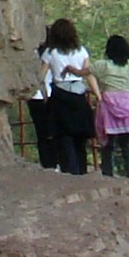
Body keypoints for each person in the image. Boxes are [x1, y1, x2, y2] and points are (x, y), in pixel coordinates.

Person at [34, 19, 96, 176]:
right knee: (80, 138)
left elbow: (40, 77)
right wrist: (98, 95)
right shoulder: (82, 51)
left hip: (60, 95)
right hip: (79, 94)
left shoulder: (50, 52)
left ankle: (70, 171)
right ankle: (82, 171)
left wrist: (45, 95)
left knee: (63, 136)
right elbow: (88, 73)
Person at [95, 34, 129, 177]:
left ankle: (108, 175)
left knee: (108, 145)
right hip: (127, 106)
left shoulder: (102, 65)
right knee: (128, 146)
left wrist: (70, 69)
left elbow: (85, 71)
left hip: (108, 106)